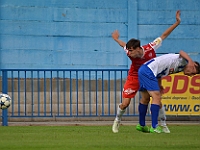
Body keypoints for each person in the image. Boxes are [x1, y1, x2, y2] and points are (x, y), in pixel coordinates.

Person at [112, 10, 181, 133]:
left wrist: (177, 23)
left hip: (149, 75)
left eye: (132, 51)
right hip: (134, 76)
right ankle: (117, 120)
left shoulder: (151, 47)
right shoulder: (129, 51)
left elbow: (164, 35)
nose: (129, 53)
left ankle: (162, 125)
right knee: (125, 103)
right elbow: (123, 45)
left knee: (155, 98)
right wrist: (116, 39)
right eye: (129, 51)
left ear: (139, 49)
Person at [137, 51, 200, 133]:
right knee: (157, 98)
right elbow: (181, 52)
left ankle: (141, 125)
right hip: (148, 71)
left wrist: (159, 85)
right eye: (193, 73)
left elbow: (159, 72)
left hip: (144, 69)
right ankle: (154, 126)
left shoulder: (180, 68)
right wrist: (191, 61)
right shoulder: (184, 61)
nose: (191, 75)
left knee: (145, 99)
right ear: (193, 66)